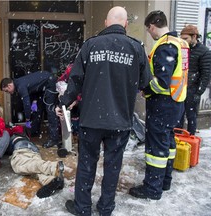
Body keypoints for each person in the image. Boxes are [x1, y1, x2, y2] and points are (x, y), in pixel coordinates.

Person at [55, 6, 151, 216]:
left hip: (92, 120)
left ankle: (82, 208)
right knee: (112, 166)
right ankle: (106, 208)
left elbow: (75, 81)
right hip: (120, 121)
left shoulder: (90, 45)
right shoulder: (136, 48)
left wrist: (64, 101)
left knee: (86, 164)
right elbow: (146, 83)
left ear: (106, 23)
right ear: (126, 24)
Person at [129, 10, 189, 200]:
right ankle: (165, 182)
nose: (150, 33)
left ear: (153, 26)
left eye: (149, 30)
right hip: (177, 102)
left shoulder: (165, 46)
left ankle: (152, 188)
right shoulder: (182, 43)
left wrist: (145, 89)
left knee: (156, 148)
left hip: (163, 104)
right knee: (168, 142)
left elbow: (161, 82)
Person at [0, 71, 60, 148]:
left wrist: (27, 118)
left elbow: (26, 103)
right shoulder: (18, 82)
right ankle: (35, 131)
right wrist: (35, 102)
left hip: (50, 83)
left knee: (50, 110)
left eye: (6, 91)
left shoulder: (20, 86)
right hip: (43, 85)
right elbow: (34, 87)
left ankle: (54, 139)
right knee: (37, 109)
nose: (8, 92)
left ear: (9, 86)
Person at [7, 125, 65, 198]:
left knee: (18, 165)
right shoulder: (23, 132)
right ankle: (52, 180)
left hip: (21, 146)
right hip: (32, 148)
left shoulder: (11, 132)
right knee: (33, 169)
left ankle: (53, 167)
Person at [178, 25, 211, 135]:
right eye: (181, 38)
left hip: (193, 90)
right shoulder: (181, 49)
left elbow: (206, 74)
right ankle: (177, 140)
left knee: (191, 118)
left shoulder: (204, 52)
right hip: (179, 88)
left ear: (194, 36)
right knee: (178, 117)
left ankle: (190, 141)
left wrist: (198, 92)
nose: (183, 41)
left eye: (185, 38)